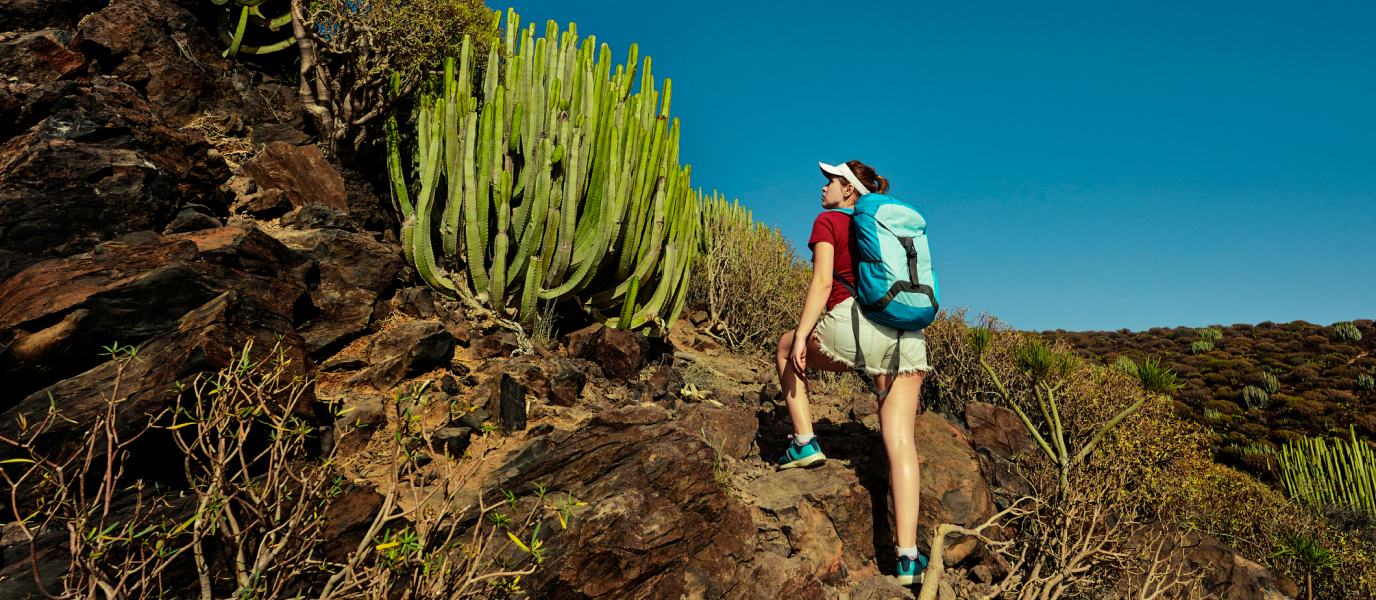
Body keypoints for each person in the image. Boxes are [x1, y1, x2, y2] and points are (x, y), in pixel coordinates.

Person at [774, 160, 932, 585]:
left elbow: (823, 283)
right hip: (907, 335)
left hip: (854, 325)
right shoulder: (885, 230)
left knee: (787, 347)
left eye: (831, 181)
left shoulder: (829, 220)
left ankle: (805, 442)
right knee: (900, 441)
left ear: (849, 191)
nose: (823, 187)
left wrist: (804, 332)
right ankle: (907, 558)